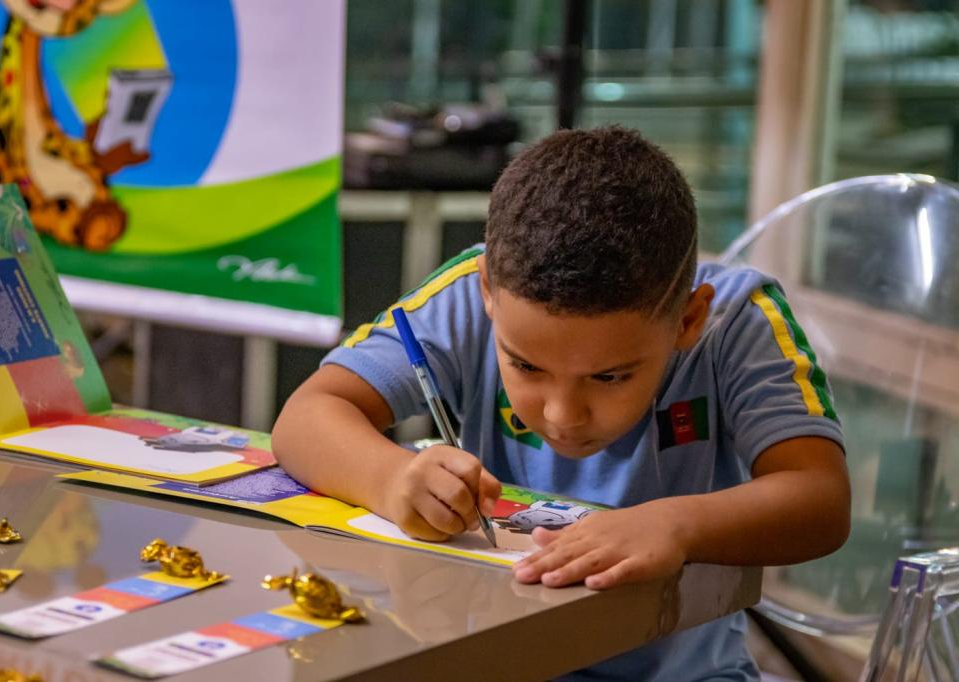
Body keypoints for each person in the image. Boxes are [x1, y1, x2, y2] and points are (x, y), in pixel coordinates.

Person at [272, 125, 850, 679]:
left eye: (611, 376)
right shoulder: (468, 293)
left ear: (689, 318)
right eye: (525, 366)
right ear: (486, 294)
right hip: (490, 662)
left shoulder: (738, 322)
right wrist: (391, 478)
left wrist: (676, 525)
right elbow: (306, 417)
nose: (561, 415)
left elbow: (821, 499)